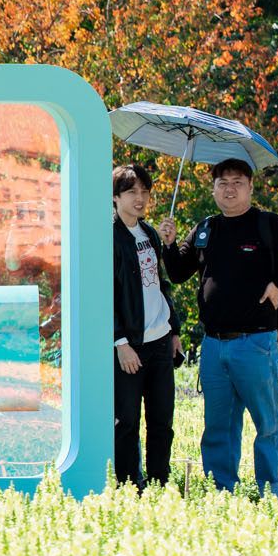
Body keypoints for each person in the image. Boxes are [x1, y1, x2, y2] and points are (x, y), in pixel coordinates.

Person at [160, 157, 278, 497]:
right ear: (213, 190)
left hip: (256, 342)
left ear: (251, 187)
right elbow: (177, 273)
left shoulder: (269, 224)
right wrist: (169, 244)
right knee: (218, 427)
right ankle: (222, 493)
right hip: (213, 344)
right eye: (222, 183)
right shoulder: (206, 228)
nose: (229, 189)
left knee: (267, 424)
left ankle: (273, 493)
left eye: (237, 182)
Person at [111, 164, 182, 489]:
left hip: (161, 341)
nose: (139, 198)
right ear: (116, 197)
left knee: (162, 420)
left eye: (144, 191)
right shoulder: (110, 237)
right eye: (131, 192)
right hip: (130, 345)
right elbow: (105, 294)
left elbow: (162, 285)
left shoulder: (150, 233)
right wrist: (120, 342)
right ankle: (129, 486)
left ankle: (158, 484)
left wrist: (174, 330)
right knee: (127, 421)